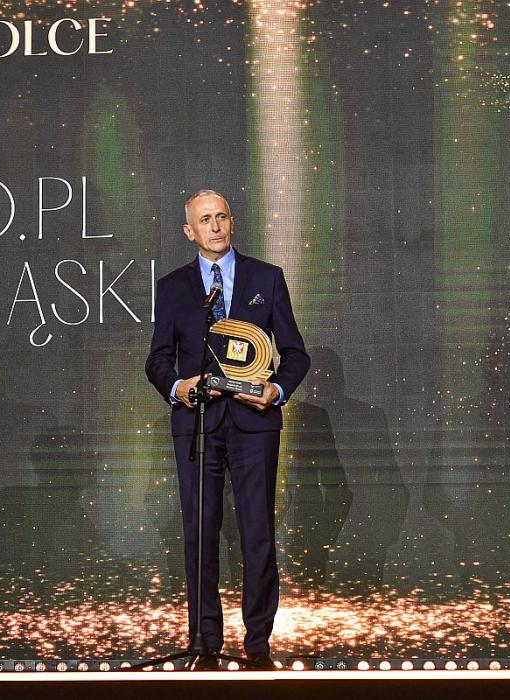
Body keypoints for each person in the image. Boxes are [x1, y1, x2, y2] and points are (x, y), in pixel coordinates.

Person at [145, 189, 310, 669]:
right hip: (198, 425)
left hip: (254, 423)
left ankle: (257, 644)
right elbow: (157, 359)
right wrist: (179, 387)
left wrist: (275, 390)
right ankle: (204, 642)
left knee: (257, 532)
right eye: (204, 220)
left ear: (232, 223)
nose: (214, 226)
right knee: (199, 533)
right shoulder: (172, 287)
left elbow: (295, 354)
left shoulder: (266, 278)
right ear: (189, 231)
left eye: (221, 217)